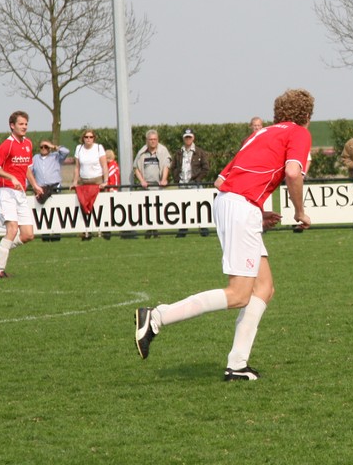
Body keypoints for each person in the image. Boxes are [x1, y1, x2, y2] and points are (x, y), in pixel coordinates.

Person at [135, 89, 315, 381]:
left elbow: (221, 180)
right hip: (241, 207)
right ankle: (157, 317)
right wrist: (299, 211)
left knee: (264, 288)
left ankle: (237, 364)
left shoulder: (260, 134)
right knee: (239, 294)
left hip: (232, 203)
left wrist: (255, 212)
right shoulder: (299, 132)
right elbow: (293, 173)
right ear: (306, 115)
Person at [0, 111, 43, 279]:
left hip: (20, 192)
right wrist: (11, 177)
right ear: (12, 125)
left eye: (26, 124)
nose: (24, 127)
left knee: (28, 235)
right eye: (21, 124)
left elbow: (26, 167)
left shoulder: (28, 143)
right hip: (6, 191)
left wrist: (35, 185)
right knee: (12, 229)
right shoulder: (7, 145)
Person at [31, 139, 69, 205]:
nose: (43, 148)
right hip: (41, 189)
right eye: (41, 147)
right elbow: (29, 173)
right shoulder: (35, 158)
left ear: (50, 148)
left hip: (54, 187)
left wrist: (53, 146)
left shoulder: (56, 156)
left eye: (46, 146)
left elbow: (66, 151)